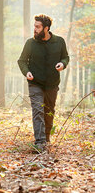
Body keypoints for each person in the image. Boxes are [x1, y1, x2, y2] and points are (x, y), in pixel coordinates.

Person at [18, 14, 69, 152]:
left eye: (38, 27)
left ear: (46, 28)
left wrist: (62, 64)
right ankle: (40, 142)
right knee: (38, 110)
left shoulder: (59, 42)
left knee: (49, 112)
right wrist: (26, 72)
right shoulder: (30, 43)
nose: (34, 29)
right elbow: (22, 61)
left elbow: (65, 57)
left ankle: (46, 138)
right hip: (35, 83)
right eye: (34, 26)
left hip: (52, 84)